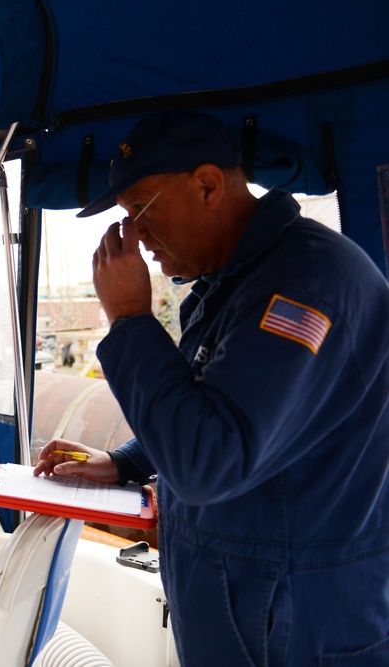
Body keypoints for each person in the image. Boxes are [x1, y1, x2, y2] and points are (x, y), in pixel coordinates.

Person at [34, 111, 389, 665]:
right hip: (249, 607)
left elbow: (211, 461)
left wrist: (130, 321)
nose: (134, 235)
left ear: (207, 185)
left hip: (298, 625)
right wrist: (129, 461)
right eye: (126, 217)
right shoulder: (236, 280)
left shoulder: (304, 286)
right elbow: (221, 399)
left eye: (141, 209)